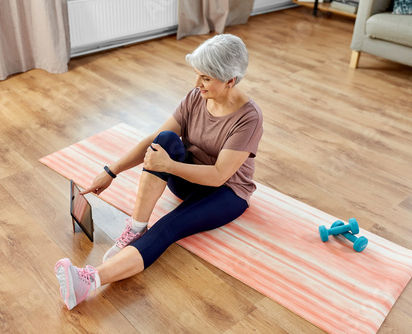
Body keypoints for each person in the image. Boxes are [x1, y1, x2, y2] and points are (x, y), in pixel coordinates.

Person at [54, 34, 263, 310]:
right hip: (187, 177)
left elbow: (218, 175)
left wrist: (168, 166)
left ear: (230, 81)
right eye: (197, 75)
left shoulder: (249, 118)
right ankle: (137, 229)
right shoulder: (195, 97)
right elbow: (155, 139)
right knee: (164, 138)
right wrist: (111, 171)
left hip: (225, 192)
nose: (197, 84)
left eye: (206, 78)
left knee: (169, 226)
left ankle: (87, 283)